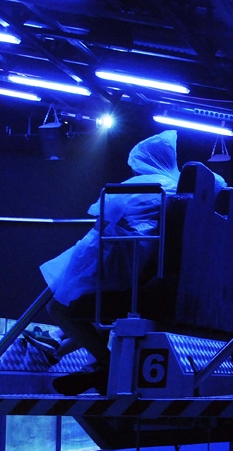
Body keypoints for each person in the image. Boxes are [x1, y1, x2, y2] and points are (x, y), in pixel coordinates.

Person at [33, 131, 182, 395]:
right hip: (151, 273)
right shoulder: (175, 187)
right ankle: (66, 351)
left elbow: (102, 219)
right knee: (93, 307)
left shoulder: (142, 187)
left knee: (58, 307)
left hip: (128, 270)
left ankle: (108, 365)